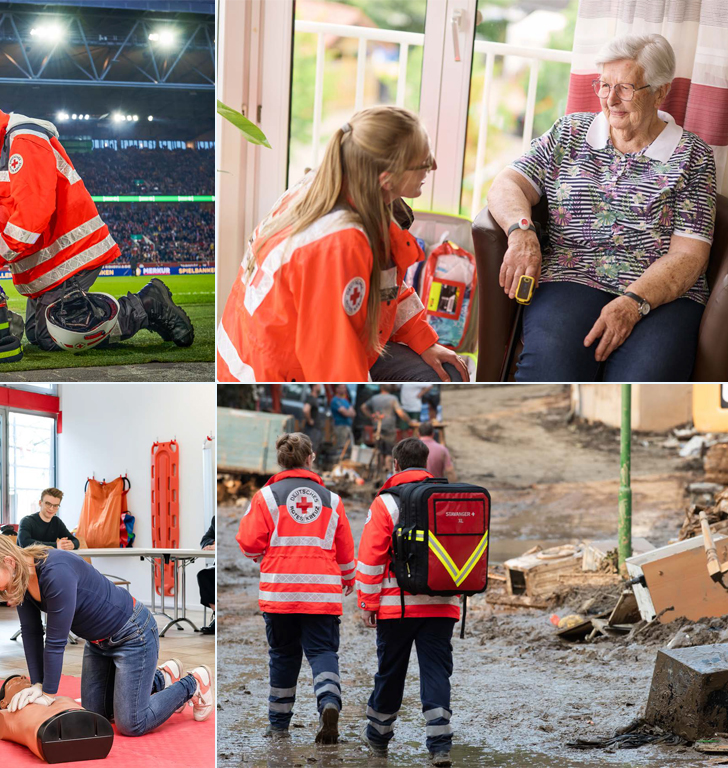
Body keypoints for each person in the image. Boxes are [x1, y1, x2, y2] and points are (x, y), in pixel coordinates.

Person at [487, 33, 716, 382]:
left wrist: (632, 302)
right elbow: (508, 183)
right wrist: (522, 232)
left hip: (660, 294)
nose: (610, 100)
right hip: (571, 272)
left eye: (625, 88)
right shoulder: (570, 132)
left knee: (645, 381)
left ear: (661, 91)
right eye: (603, 85)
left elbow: (689, 254)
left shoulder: (693, 157)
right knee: (551, 369)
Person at [217, 105, 468, 382]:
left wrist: (424, 340)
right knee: (446, 378)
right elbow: (332, 364)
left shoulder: (339, 186)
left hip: (276, 357)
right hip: (273, 373)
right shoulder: (341, 244)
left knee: (448, 372)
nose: (432, 166)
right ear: (387, 179)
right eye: (423, 162)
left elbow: (386, 285)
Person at [0, 91, 194, 351]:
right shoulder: (10, 148)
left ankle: (148, 305)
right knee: (36, 332)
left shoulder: (23, 142)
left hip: (70, 257)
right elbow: (18, 217)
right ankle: (135, 308)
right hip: (57, 260)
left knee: (54, 337)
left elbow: (30, 218)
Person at [0, 533, 214, 736]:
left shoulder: (54, 570)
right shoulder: (19, 579)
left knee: (131, 724)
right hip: (98, 643)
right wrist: (37, 684)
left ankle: (194, 683)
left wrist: (47, 693)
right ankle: (161, 677)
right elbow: (32, 633)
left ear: (9, 562)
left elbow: (55, 641)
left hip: (134, 634)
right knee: (98, 716)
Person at [236, 433, 356, 744]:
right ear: (310, 458)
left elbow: (249, 543)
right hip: (322, 595)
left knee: (283, 656)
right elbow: (344, 550)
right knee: (323, 652)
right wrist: (348, 577)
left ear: (281, 460)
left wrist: (264, 556)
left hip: (280, 594)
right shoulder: (332, 500)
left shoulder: (265, 497)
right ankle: (329, 702)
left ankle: (278, 726)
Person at [356, 438, 459, 766]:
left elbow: (371, 556)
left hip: (396, 607)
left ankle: (378, 737)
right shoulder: (446, 497)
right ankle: (440, 742)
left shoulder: (386, 502)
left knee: (391, 671)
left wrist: (368, 602)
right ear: (427, 463)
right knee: (436, 672)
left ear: (395, 465)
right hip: (442, 605)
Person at [362, 385, 416, 473]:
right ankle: (388, 471)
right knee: (389, 451)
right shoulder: (392, 398)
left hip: (377, 428)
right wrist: (409, 421)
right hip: (389, 428)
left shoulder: (374, 398)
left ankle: (379, 471)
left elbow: (363, 407)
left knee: (379, 450)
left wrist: (372, 416)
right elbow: (400, 412)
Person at [198, 516, 215, 635]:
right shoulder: (215, 520)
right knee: (203, 575)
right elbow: (204, 541)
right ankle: (217, 614)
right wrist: (214, 543)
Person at [301, 385, 325, 467]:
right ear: (314, 387)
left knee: (313, 448)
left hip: (315, 429)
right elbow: (305, 409)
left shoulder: (315, 398)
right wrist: (309, 420)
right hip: (312, 430)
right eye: (319, 385)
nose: (320, 386)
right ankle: (307, 467)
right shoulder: (311, 398)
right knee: (310, 448)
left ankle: (309, 466)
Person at [330, 385, 356, 459]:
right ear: (337, 389)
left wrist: (348, 412)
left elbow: (353, 413)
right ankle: (339, 462)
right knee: (341, 447)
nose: (344, 389)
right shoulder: (335, 400)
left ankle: (346, 463)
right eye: (342, 387)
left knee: (350, 447)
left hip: (348, 426)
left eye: (345, 387)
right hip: (340, 426)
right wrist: (348, 412)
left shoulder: (345, 401)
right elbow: (344, 413)